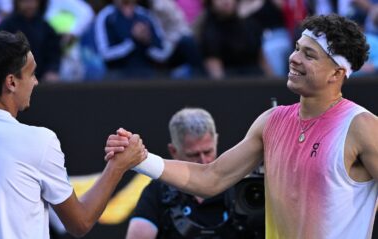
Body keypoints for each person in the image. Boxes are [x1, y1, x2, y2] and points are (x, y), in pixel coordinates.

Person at [106, 14, 378, 239]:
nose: (294, 58)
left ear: (337, 73)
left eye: (309, 54)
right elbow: (210, 178)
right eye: (296, 48)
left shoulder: (362, 127)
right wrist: (142, 159)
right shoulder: (270, 121)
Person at [0, 31, 145, 239]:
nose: (35, 82)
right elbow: (79, 223)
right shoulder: (39, 141)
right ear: (11, 82)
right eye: (31, 74)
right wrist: (118, 166)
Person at [126, 108, 249, 239]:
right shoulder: (158, 192)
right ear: (173, 151)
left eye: (208, 152)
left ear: (216, 141)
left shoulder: (243, 188)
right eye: (193, 154)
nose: (203, 160)